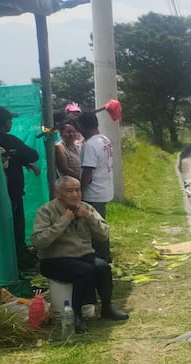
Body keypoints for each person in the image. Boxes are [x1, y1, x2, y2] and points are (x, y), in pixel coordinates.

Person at [31, 176, 129, 333]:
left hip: (83, 255)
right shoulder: (46, 211)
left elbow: (104, 235)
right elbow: (38, 241)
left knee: (103, 267)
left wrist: (90, 218)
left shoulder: (86, 208)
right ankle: (77, 315)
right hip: (54, 259)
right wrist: (63, 221)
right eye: (69, 191)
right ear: (58, 193)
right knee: (84, 271)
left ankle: (106, 308)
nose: (75, 195)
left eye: (78, 190)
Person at [0, 106, 40, 264]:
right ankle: (19, 259)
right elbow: (32, 154)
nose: (11, 123)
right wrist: (23, 159)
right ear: (4, 122)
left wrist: (20, 160)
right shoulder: (8, 140)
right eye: (10, 120)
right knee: (15, 227)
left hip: (2, 194)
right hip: (11, 194)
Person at [78, 111, 114, 261]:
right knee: (99, 222)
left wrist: (79, 190)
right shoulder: (104, 139)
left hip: (94, 192)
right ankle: (102, 254)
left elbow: (88, 171)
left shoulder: (90, 145)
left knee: (95, 225)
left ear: (82, 126)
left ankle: (103, 255)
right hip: (104, 187)